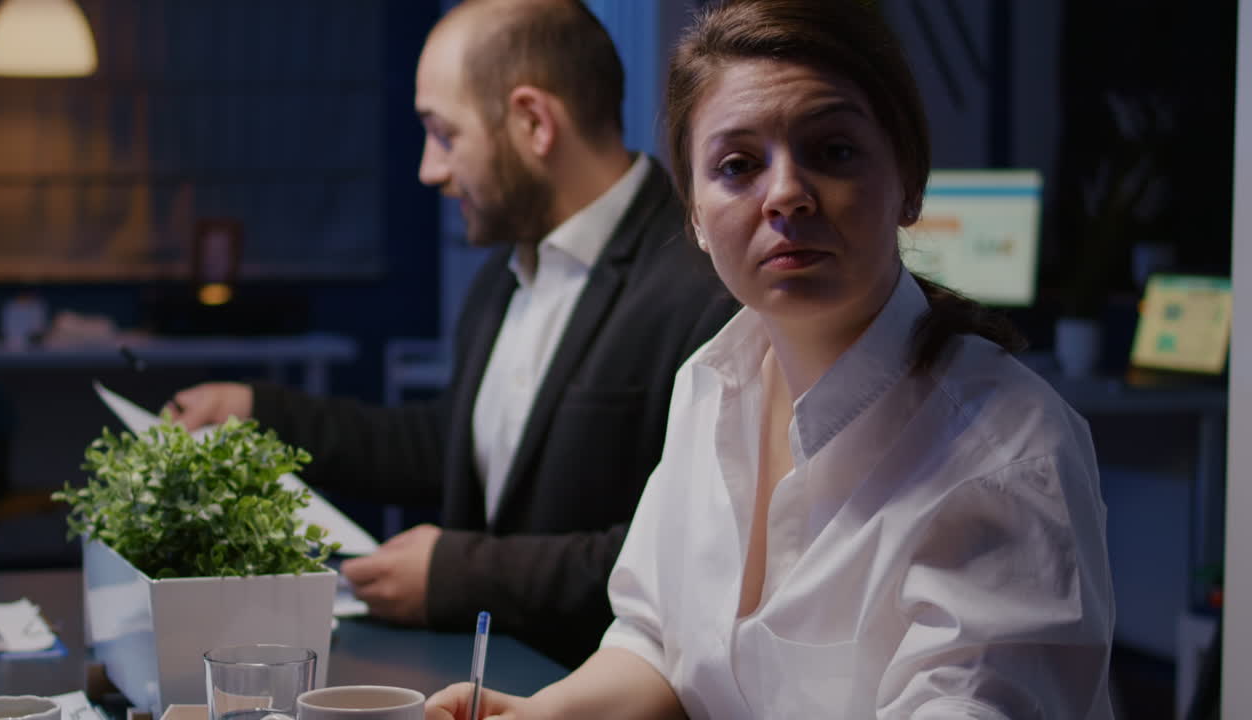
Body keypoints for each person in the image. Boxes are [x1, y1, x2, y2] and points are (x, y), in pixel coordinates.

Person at [426, 0, 1116, 717]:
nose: (786, 194)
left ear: (910, 183)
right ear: (695, 215)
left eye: (833, 151)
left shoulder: (1007, 452)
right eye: (738, 165)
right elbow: (656, 641)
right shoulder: (708, 385)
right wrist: (541, 713)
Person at [168, 0, 734, 668]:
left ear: (533, 122)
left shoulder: (704, 286)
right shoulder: (505, 272)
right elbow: (448, 445)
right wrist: (259, 414)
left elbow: (685, 553)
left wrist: (460, 576)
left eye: (444, 134)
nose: (429, 170)